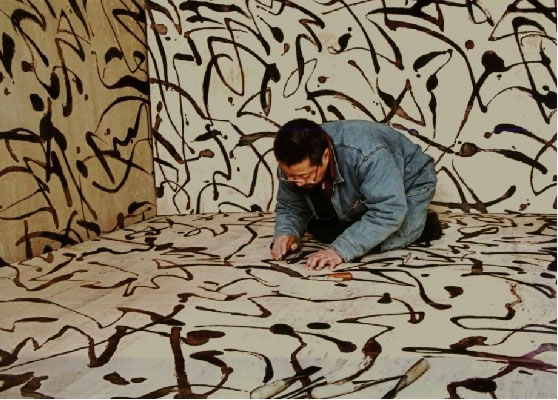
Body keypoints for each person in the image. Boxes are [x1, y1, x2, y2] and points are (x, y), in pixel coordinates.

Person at [270, 118, 442, 270]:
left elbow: (389, 211)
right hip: (366, 185)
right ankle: (358, 221)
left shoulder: (368, 154)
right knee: (327, 230)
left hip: (410, 181)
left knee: (388, 236)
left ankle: (422, 225)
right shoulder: (292, 161)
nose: (298, 182)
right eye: (290, 176)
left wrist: (341, 249)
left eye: (305, 176)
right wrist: (286, 232)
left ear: (325, 156)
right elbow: (290, 206)